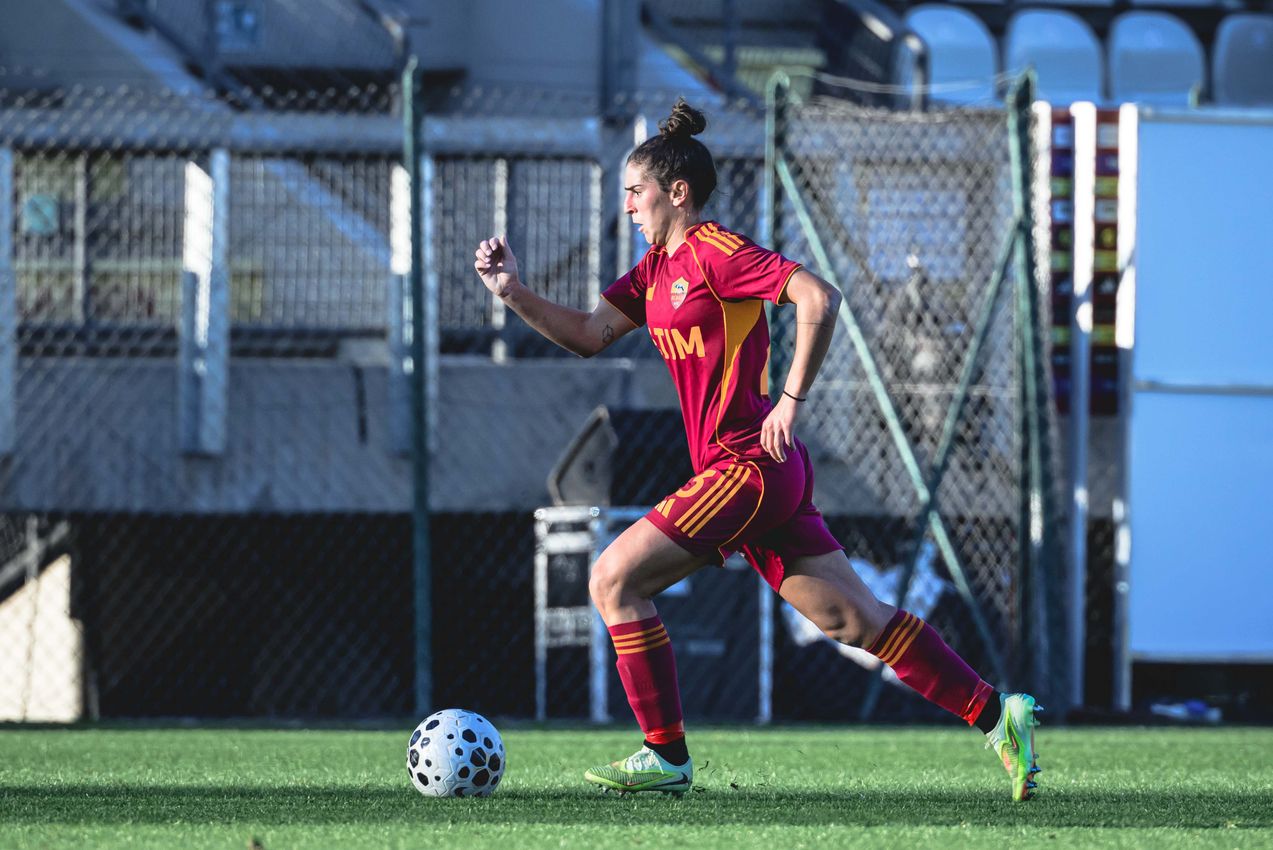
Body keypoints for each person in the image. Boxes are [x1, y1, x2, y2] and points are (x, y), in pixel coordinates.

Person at [474, 99, 1042, 801]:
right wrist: (513, 293)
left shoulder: (714, 250)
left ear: (675, 193)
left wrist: (791, 400)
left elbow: (817, 298)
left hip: (748, 465)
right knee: (852, 620)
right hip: (758, 474)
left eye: (634, 190)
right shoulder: (655, 270)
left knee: (613, 579)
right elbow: (590, 333)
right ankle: (997, 715)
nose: (626, 205)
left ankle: (665, 754)